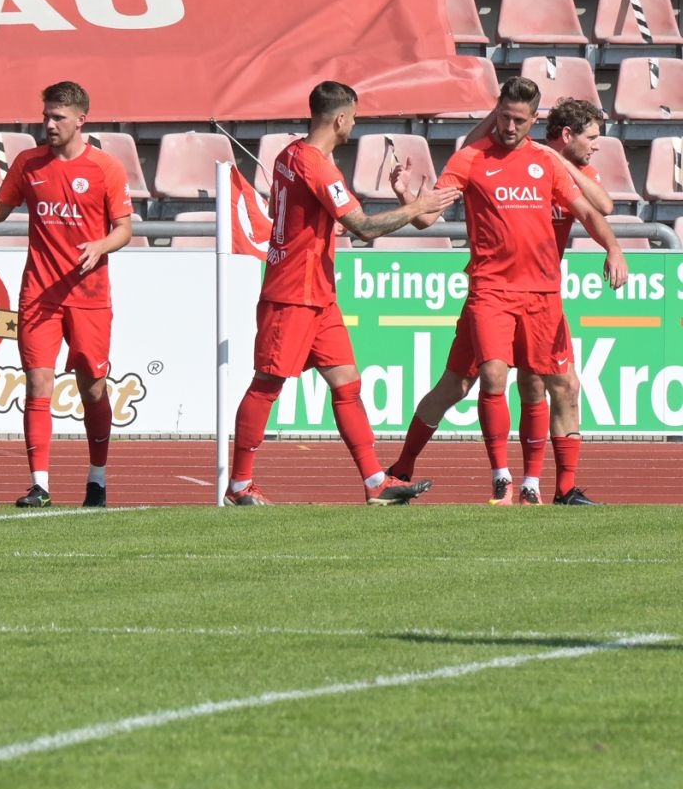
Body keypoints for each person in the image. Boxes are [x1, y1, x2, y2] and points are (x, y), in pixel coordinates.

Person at [227, 81, 458, 506]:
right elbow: (363, 227)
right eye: (353, 118)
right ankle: (240, 485)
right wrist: (415, 207)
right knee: (267, 384)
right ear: (339, 119)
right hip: (293, 293)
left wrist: (404, 200)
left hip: (318, 293)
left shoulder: (289, 155)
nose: (354, 125)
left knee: (347, 382)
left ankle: (376, 483)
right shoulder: (318, 167)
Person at [386, 95, 623, 504]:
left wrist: (614, 248)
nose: (596, 145)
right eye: (591, 138)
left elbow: (600, 207)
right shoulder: (478, 157)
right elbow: (433, 208)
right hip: (492, 290)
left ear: (534, 121)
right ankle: (415, 470)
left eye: (519, 120)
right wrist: (407, 197)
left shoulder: (555, 165)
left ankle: (546, 487)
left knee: (549, 384)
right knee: (465, 382)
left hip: (539, 293)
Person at [0, 81, 135, 510]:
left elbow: (124, 228)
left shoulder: (105, 168)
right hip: (40, 295)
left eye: (58, 117)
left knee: (93, 388)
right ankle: (40, 485)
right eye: (46, 116)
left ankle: (97, 478)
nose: (49, 124)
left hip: (89, 296)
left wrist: (100, 246)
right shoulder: (28, 163)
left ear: (81, 120)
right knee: (38, 383)